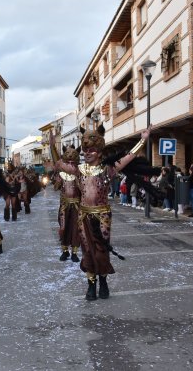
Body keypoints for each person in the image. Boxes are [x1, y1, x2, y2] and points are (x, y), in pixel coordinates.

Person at [52, 124, 153, 300]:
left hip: (102, 216)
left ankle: (103, 281)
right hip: (83, 216)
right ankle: (91, 285)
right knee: (87, 251)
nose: (87, 153)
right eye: (85, 150)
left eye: (91, 150)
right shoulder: (78, 170)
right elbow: (59, 164)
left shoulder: (108, 169)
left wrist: (143, 140)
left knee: (101, 250)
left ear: (99, 151)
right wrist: (53, 146)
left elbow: (130, 156)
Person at [50, 145, 82, 262]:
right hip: (64, 205)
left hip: (77, 206)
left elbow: (83, 189)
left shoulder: (79, 172)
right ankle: (64, 251)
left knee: (75, 229)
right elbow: (55, 187)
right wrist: (57, 178)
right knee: (63, 228)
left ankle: (74, 252)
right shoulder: (61, 174)